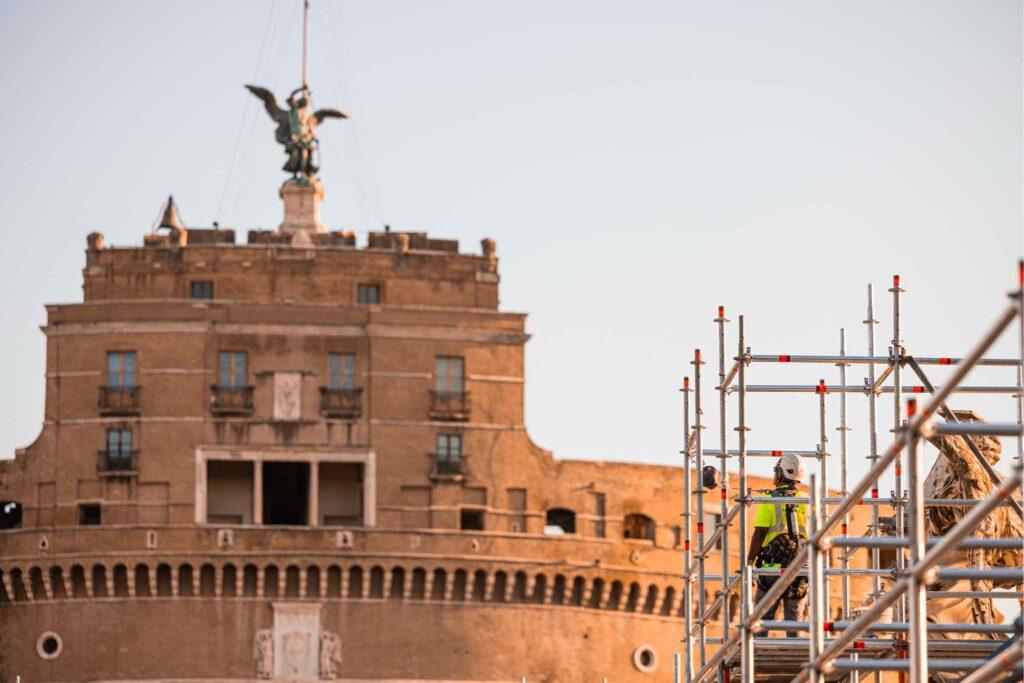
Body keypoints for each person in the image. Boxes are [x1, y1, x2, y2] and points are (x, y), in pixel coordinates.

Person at [746, 453, 809, 637]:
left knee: (761, 620)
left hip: (771, 569)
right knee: (795, 623)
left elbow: (759, 534)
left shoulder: (769, 499)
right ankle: (795, 653)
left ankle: (757, 652)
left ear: (781, 473)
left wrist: (749, 562)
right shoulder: (808, 500)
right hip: (799, 570)